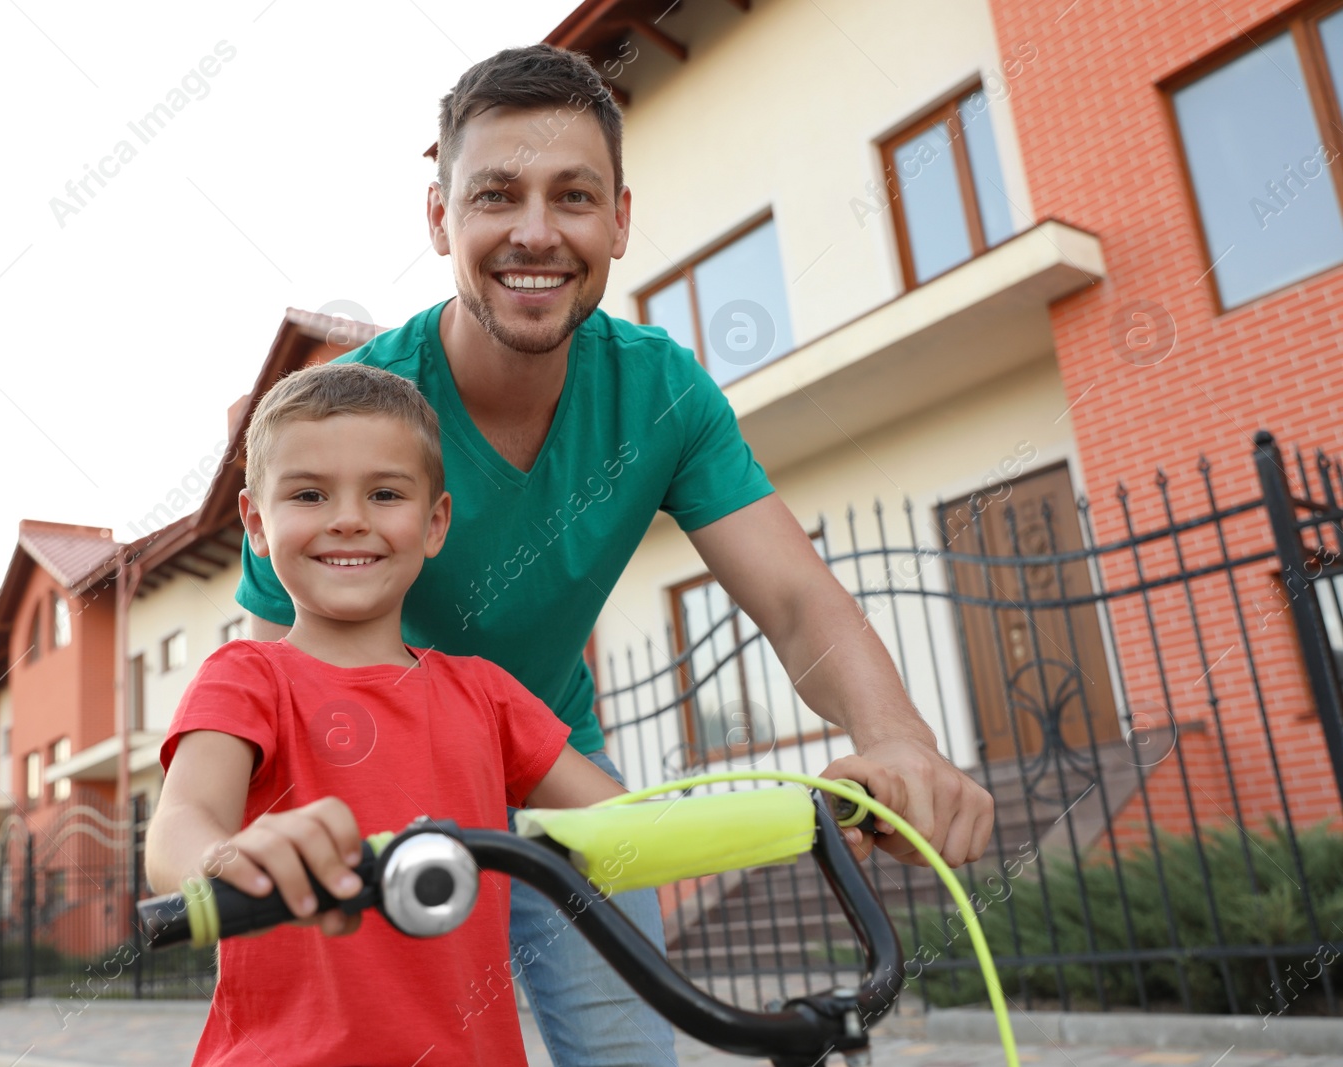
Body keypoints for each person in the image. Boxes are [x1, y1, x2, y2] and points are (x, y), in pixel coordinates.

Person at [237, 44, 996, 1067]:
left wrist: (896, 737)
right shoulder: (356, 412)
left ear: (620, 221)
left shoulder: (660, 392)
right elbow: (266, 667)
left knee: (627, 1052)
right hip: (371, 784)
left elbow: (794, 599)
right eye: (496, 195)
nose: (536, 232)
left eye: (574, 196)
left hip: (562, 768)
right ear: (438, 220)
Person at [147, 362, 631, 1066]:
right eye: (310, 493)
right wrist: (224, 857)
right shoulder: (248, 677)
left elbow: (629, 828)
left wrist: (803, 813)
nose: (349, 518)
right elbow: (177, 827)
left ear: (435, 523)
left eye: (384, 493)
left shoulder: (486, 694)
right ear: (256, 522)